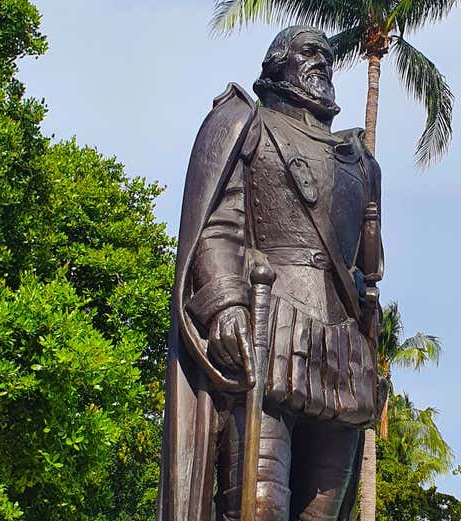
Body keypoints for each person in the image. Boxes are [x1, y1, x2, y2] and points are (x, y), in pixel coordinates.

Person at [157, 26, 384, 521]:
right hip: (270, 335)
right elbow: (219, 225)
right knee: (256, 510)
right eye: (309, 52)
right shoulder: (249, 126)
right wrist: (225, 305)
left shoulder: (360, 161)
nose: (322, 61)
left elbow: (369, 270)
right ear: (277, 64)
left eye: (327, 56)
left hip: (341, 356)